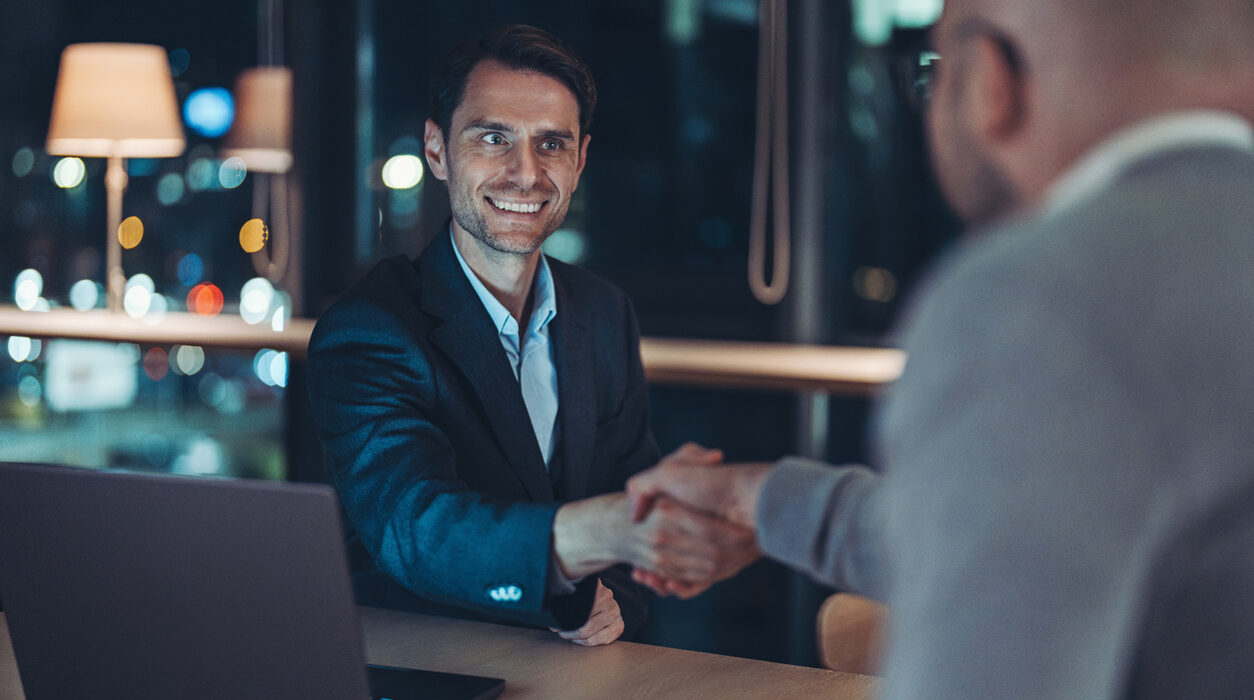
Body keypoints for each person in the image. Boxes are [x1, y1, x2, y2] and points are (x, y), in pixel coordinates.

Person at [629, 0, 1254, 694]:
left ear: (990, 78)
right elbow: (1036, 547)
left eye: (929, 72)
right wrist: (763, 498)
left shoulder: (1037, 296)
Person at [307, 25, 756, 647]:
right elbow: (412, 531)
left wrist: (615, 600)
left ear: (580, 160)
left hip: (574, 668)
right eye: (494, 138)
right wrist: (601, 533)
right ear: (437, 151)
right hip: (424, 666)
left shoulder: (603, 312)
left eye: (551, 144)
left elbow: (635, 529)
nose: (526, 174)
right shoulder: (371, 329)